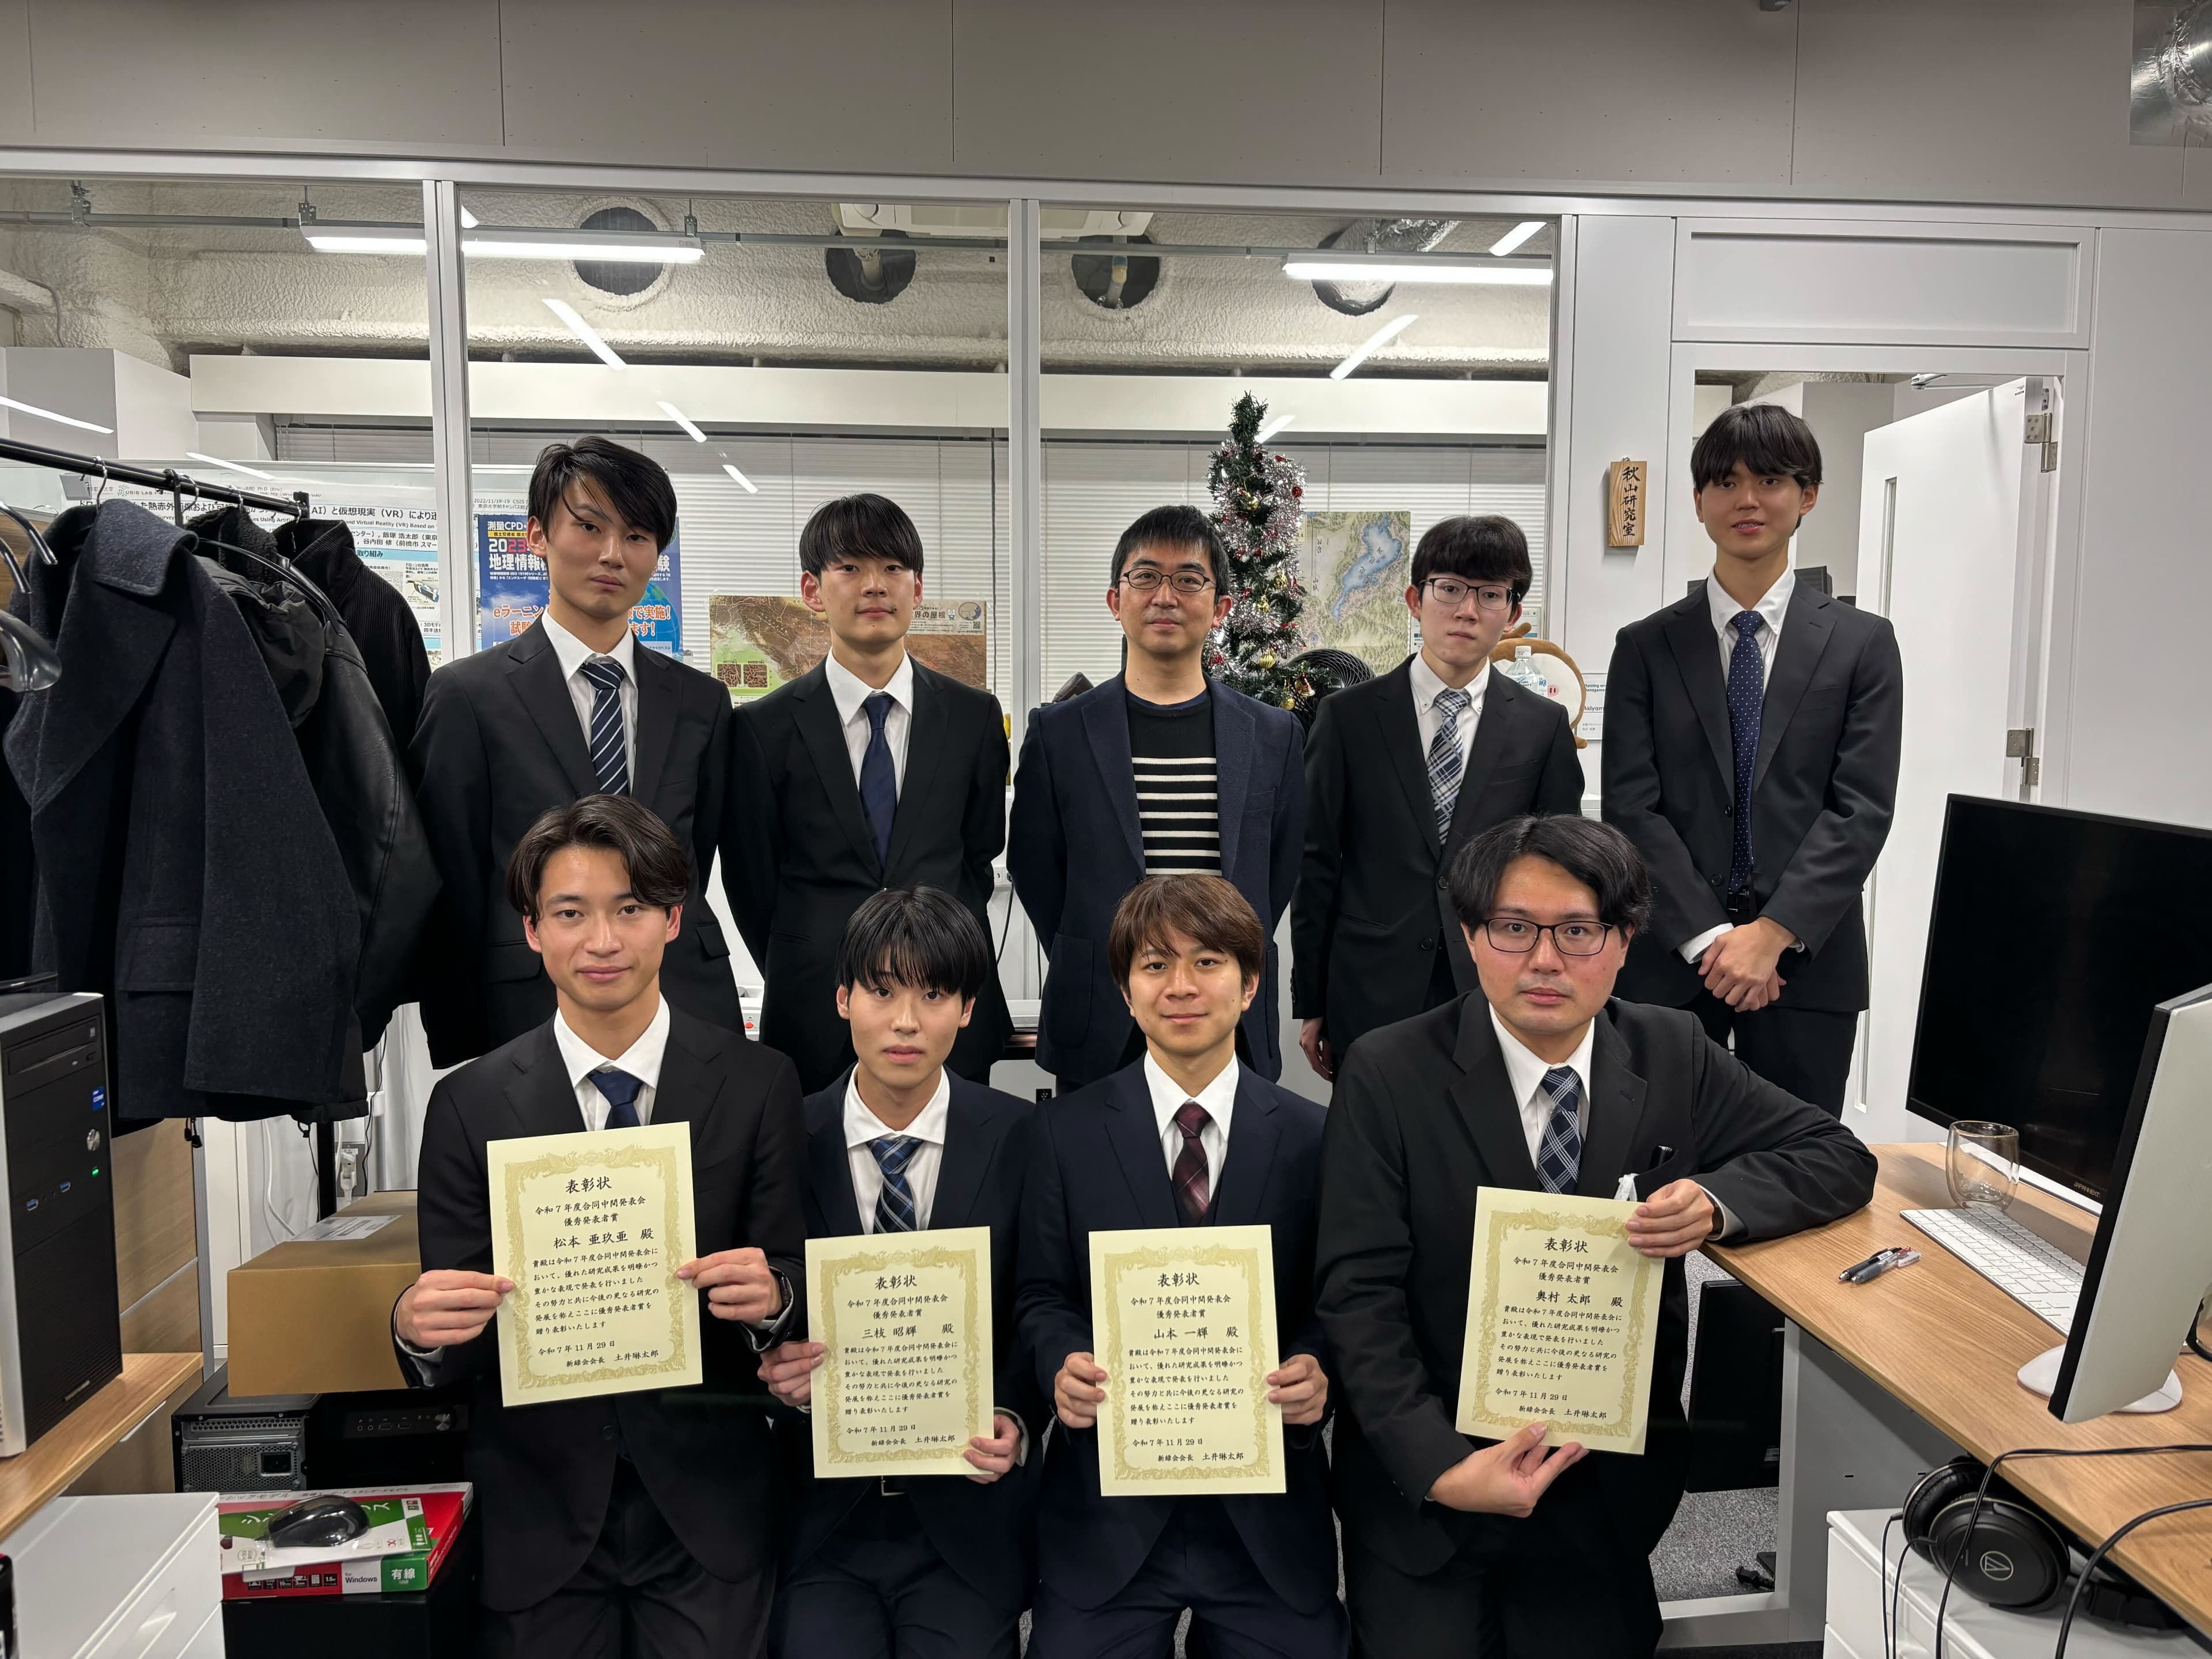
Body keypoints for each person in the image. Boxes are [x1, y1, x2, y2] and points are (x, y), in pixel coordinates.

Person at [1314, 813, 1877, 1657]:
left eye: (1578, 931)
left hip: (1601, 1481)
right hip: (1430, 1482)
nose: (1545, 960)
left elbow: (1837, 1155)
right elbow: (1358, 1296)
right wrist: (1441, 1468)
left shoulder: (1671, 1049)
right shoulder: (1388, 1070)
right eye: (1514, 928)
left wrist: (1716, 1201)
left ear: (1624, 941)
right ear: (1469, 936)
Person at [392, 795, 806, 1658]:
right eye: (571, 914)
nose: (603, 941)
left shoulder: (758, 1082)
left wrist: (774, 1297)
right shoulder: (468, 1103)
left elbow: (791, 1277)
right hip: (537, 1509)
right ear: (532, 931)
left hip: (708, 1507)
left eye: (630, 909)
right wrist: (416, 1328)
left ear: (673, 920)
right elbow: (458, 1327)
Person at [1017, 874, 1346, 1658]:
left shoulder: (1315, 1137)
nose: (1181, 987)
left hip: (1265, 1516)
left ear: (1251, 984)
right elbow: (1040, 1294)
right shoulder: (1062, 1135)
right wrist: (1061, 1362)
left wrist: (1318, 1368)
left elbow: (1336, 1298)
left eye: (1208, 962)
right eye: (1155, 965)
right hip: (1109, 1514)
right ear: (1125, 991)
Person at [755, 886, 1039, 1658]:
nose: (907, 1021)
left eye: (934, 994)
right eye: (882, 991)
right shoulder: (783, 1137)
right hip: (823, 1516)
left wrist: (1014, 1415)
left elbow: (1039, 1304)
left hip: (966, 1511)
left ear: (969, 1009)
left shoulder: (1023, 1139)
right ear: (843, 998)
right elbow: (758, 1293)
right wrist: (772, 1366)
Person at [1602, 402, 1903, 1114]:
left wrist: (1771, 934)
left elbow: (1860, 809)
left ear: (1808, 496)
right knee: (1659, 1154)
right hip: (1672, 962)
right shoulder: (1645, 646)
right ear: (1699, 501)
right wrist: (1713, 940)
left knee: (1799, 1157)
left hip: (1808, 963)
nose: (1747, 500)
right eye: (1726, 482)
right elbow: (1631, 807)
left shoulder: (1863, 643)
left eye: (1770, 481)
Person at [410, 436, 744, 1067]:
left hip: (685, 995)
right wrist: (462, 1037)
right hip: (528, 1005)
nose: (613, 554)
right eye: (589, 527)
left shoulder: (701, 701)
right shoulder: (468, 696)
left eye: (638, 536)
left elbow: (700, 856)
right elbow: (451, 883)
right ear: (538, 535)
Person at [1008, 505, 1304, 1090]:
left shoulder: (1273, 735)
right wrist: (1102, 951)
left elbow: (1279, 870)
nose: (1165, 597)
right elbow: (1036, 869)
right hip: (1100, 1013)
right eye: (1145, 577)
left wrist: (1216, 956)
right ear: (1115, 601)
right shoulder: (1059, 733)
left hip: (1228, 1017)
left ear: (1221, 607)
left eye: (1189, 579)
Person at [729, 494, 1013, 1093]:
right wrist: (807, 957)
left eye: (892, 568)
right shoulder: (762, 729)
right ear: (812, 590)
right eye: (851, 567)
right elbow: (753, 882)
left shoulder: (974, 717)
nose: (875, 586)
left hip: (947, 998)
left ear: (918, 588)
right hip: (815, 1004)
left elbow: (977, 856)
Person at [1293, 514, 1582, 1082]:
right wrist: (1313, 999)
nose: (1467, 610)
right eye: (1449, 589)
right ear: (1414, 600)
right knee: (1372, 1133)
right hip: (1369, 987)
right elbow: (1317, 862)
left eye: (1490, 594)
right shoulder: (1348, 718)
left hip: (1497, 981)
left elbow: (1559, 872)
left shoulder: (1542, 726)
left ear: (1513, 613)